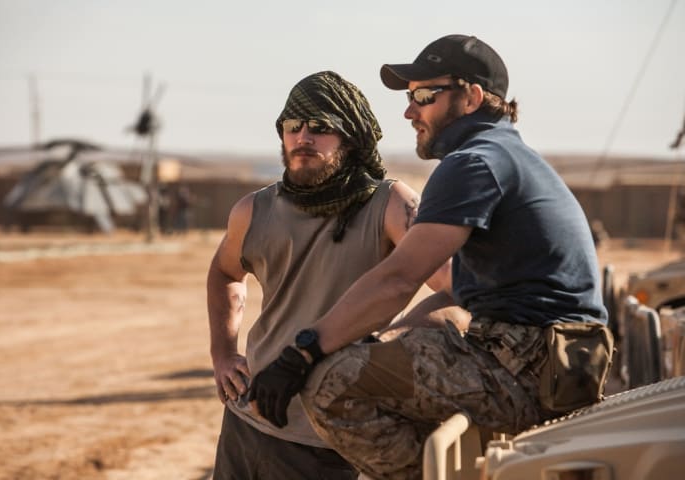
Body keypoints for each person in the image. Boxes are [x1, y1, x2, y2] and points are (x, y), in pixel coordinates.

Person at [248, 35, 612, 479]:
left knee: (332, 383)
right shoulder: (505, 154)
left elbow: (399, 278)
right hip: (560, 361)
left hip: (532, 365)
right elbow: (455, 290)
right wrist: (385, 337)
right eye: (409, 97)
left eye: (424, 96)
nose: (409, 112)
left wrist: (302, 352)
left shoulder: (474, 163)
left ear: (472, 97)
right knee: (382, 358)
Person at [207, 70, 453, 479]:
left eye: (320, 128)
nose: (303, 137)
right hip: (247, 421)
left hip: (328, 435)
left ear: (350, 138)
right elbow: (224, 273)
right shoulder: (254, 210)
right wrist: (222, 353)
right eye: (293, 125)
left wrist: (390, 342)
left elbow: (456, 286)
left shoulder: (390, 205)